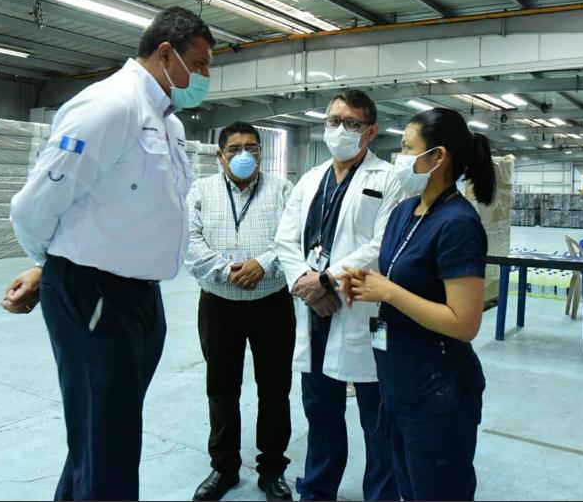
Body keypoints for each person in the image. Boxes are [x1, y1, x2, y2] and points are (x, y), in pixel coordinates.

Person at [7, 6, 215, 501]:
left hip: (138, 298)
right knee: (109, 441)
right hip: (95, 293)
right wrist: (49, 264)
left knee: (103, 433)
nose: (206, 77)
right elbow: (36, 203)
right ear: (167, 54)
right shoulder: (110, 106)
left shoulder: (167, 123)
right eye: (201, 64)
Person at [340, 107, 495, 501]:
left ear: (437, 157)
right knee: (408, 487)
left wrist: (389, 292)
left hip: (437, 388)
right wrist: (366, 283)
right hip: (397, 379)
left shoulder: (458, 224)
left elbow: (464, 323)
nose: (400, 159)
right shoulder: (405, 213)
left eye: (407, 149)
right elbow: (401, 276)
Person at [274, 90, 402, 502]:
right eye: (334, 121)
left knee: (377, 418)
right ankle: (317, 491)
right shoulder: (309, 180)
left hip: (363, 310)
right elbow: (285, 239)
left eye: (350, 123)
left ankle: (381, 495)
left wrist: (327, 280)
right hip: (316, 311)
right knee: (321, 413)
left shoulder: (389, 180)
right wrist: (309, 286)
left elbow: (384, 246)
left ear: (371, 130)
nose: (340, 130)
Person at [184, 122, 295, 502]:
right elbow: (190, 241)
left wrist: (263, 264)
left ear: (262, 152)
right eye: (234, 148)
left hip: (272, 303)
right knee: (221, 388)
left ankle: (273, 469)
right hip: (219, 305)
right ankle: (224, 467)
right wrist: (227, 270)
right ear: (220, 155)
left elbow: (294, 240)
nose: (244, 155)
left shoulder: (282, 190)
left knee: (275, 388)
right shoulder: (201, 190)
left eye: (252, 147)